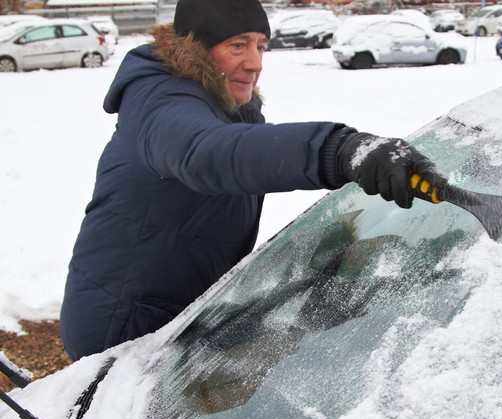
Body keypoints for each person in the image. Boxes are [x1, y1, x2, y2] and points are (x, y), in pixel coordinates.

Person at [59, 0, 445, 361]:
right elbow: (207, 153)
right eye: (237, 45)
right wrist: (337, 150)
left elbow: (245, 153)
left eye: (261, 46)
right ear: (195, 48)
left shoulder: (226, 107)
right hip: (122, 325)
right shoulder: (161, 99)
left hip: (175, 312)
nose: (254, 62)